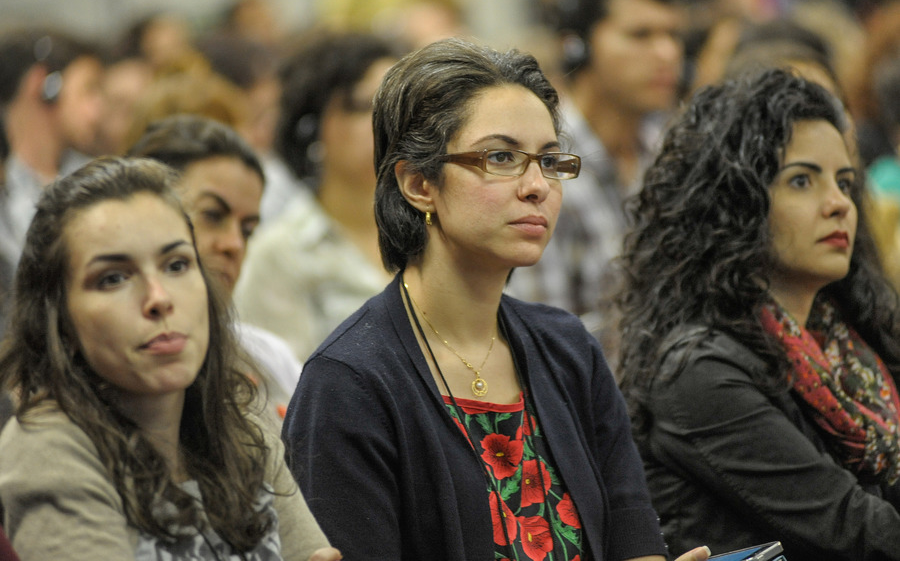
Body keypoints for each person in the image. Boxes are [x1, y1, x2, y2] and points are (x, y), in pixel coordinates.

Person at [282, 38, 709, 561]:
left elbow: (633, 537)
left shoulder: (569, 348)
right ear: (419, 183)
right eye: (502, 157)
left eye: (550, 161)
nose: (537, 186)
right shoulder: (349, 381)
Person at [617, 68, 900, 560]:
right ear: (735, 200)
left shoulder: (849, 335)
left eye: (845, 182)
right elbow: (857, 531)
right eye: (802, 181)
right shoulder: (699, 371)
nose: (838, 204)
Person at [0, 156, 340, 561]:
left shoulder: (240, 421)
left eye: (177, 264)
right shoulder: (48, 450)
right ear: (61, 322)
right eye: (113, 278)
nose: (159, 298)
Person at [507, 0, 686, 364]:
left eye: (673, 35)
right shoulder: (539, 163)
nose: (667, 53)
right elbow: (540, 339)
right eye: (641, 35)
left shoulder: (672, 149)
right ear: (578, 47)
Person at [234, 30, 397, 361]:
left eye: (399, 103)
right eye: (361, 106)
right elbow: (286, 396)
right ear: (310, 127)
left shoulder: (440, 228)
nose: (389, 122)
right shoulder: (280, 254)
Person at [127, 114, 303, 418]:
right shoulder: (117, 357)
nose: (234, 244)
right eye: (212, 215)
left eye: (247, 230)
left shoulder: (272, 358)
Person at [0, 27, 104, 271]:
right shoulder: (5, 183)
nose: (98, 110)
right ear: (45, 85)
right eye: (89, 88)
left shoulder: (95, 176)